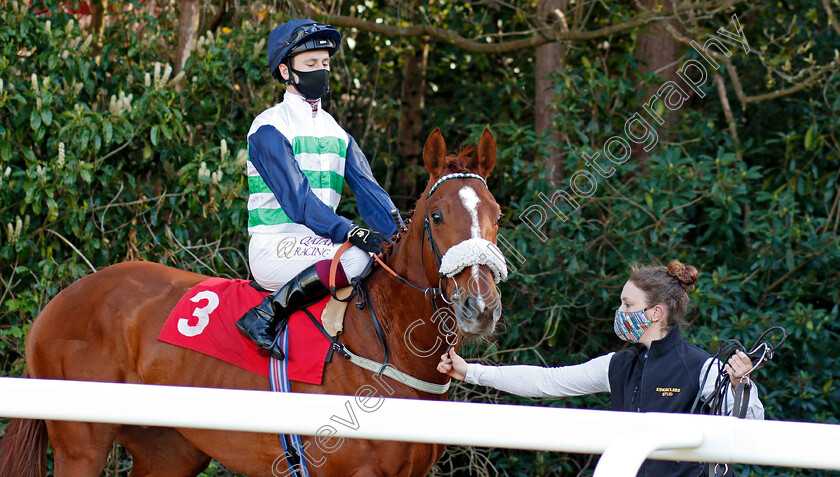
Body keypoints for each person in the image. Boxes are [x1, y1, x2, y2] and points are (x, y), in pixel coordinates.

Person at [438, 261, 764, 476]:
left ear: (654, 313)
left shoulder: (703, 367)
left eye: (627, 304)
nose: (619, 310)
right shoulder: (617, 365)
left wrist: (741, 384)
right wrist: (471, 372)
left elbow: (752, 426)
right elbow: (547, 381)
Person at [237, 19, 401, 359]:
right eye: (311, 65)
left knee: (389, 257)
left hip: (319, 244)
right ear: (286, 71)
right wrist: (350, 231)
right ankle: (267, 313)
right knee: (358, 258)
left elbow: (369, 191)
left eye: (325, 64)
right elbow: (298, 202)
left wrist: (400, 234)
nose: (321, 71)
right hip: (275, 244)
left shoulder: (336, 131)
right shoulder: (268, 127)